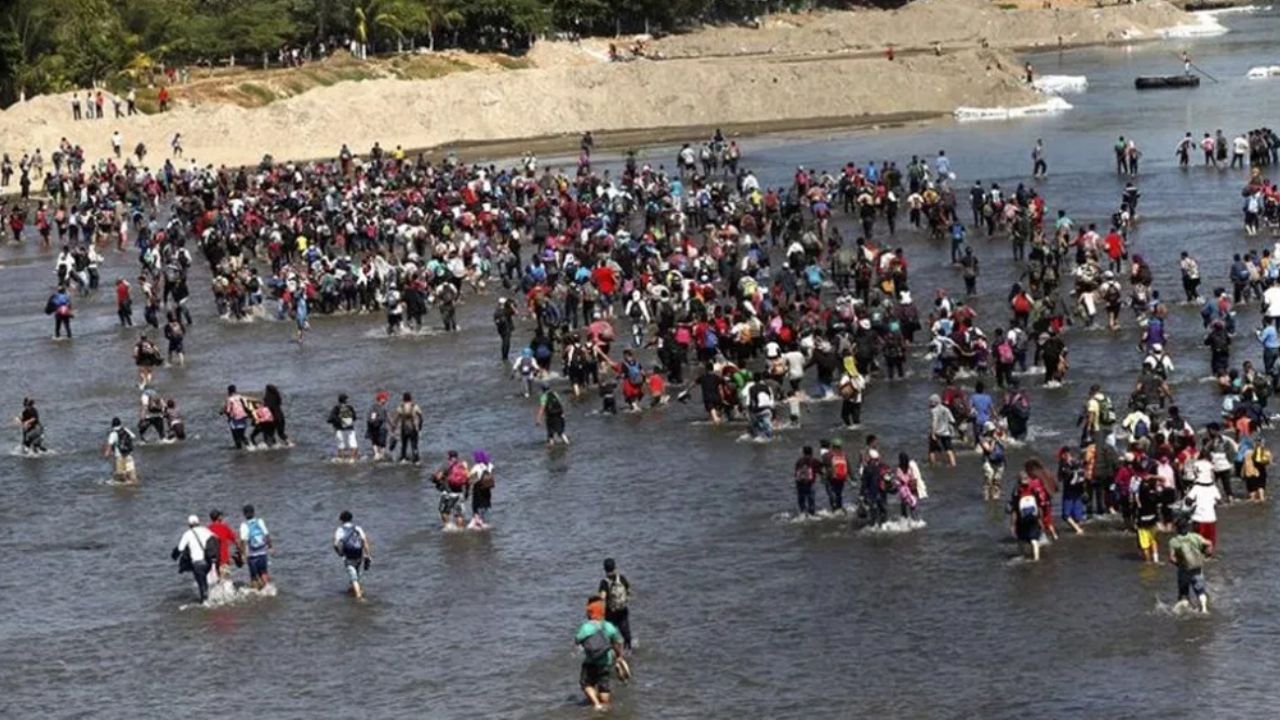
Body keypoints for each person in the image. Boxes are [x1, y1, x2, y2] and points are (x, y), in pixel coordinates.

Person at [575, 597, 626, 711]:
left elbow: (577, 639)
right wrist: (619, 657)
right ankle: (605, 705)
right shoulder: (609, 626)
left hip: (591, 661)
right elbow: (618, 642)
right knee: (604, 687)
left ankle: (596, 704)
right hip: (606, 662)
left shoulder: (586, 627)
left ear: (590, 613)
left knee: (586, 684)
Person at [1168, 515, 1212, 613]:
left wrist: (1178, 564)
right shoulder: (1195, 537)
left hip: (1183, 570)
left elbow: (1171, 558)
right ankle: (1204, 609)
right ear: (1187, 527)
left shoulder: (1174, 541)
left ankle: (1183, 611)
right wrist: (1207, 555)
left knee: (1183, 593)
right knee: (1200, 590)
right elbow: (1209, 543)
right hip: (1197, 568)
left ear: (1177, 528)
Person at [172, 515, 215, 603]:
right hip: (208, 563)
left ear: (189, 524)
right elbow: (216, 539)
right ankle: (209, 598)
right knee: (204, 580)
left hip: (197, 564)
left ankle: (205, 602)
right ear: (198, 522)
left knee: (201, 584)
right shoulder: (206, 530)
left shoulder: (187, 534)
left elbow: (180, 548)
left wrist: (174, 556)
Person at [333, 511, 371, 599]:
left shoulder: (340, 530)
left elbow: (335, 544)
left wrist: (340, 553)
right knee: (356, 573)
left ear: (341, 520)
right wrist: (368, 555)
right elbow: (365, 542)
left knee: (353, 578)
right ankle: (353, 590)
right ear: (351, 519)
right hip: (358, 555)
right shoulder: (358, 528)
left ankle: (359, 597)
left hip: (348, 556)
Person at [597, 558, 633, 650]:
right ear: (615, 567)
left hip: (610, 613)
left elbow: (602, 597)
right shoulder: (621, 578)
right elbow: (629, 590)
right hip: (622, 611)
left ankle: (614, 654)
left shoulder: (604, 582)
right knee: (626, 635)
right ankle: (629, 652)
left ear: (604, 569)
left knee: (610, 636)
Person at [433, 451, 470, 530]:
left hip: (448, 493)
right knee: (459, 514)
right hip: (459, 493)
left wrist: (437, 481)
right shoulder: (462, 466)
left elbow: (438, 477)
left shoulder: (446, 465)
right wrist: (467, 492)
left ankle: (448, 526)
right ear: (457, 457)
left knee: (443, 511)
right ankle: (459, 530)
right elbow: (467, 479)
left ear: (449, 457)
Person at [238, 504, 272, 590]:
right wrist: (270, 546)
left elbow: (243, 541)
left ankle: (257, 592)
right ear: (254, 513)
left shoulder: (244, 525)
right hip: (262, 552)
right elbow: (267, 535)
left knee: (254, 576)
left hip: (252, 555)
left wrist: (243, 554)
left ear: (244, 514)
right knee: (264, 572)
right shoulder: (260, 521)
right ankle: (268, 589)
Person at [102, 417, 137, 484]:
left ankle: (124, 485)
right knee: (131, 473)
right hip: (128, 455)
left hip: (119, 456)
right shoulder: (125, 429)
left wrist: (106, 454)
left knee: (120, 474)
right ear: (120, 423)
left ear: (112, 425)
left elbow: (109, 445)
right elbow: (133, 436)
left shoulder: (113, 433)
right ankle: (133, 486)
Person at [207, 510, 238, 581]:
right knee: (226, 580)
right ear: (218, 517)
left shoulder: (208, 529)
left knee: (218, 580)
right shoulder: (224, 527)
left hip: (213, 561)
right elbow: (235, 540)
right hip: (224, 559)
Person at [327, 393, 359, 461]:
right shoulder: (350, 407)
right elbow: (354, 417)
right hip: (350, 429)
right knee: (353, 444)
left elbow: (330, 419)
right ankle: (352, 459)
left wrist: (337, 422)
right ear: (346, 400)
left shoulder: (336, 408)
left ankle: (341, 459)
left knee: (341, 445)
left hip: (339, 429)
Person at [395, 392, 423, 464]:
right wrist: (420, 426)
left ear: (403, 399)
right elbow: (420, 416)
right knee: (414, 445)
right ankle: (416, 459)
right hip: (413, 429)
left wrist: (393, 427)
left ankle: (403, 459)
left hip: (404, 429)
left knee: (404, 445)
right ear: (411, 398)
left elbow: (396, 419)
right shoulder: (415, 406)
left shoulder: (400, 407)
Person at [469, 450, 495, 528]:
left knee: (475, 505)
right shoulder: (490, 465)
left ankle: (478, 521)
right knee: (485, 504)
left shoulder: (477, 467)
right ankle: (482, 519)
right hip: (487, 489)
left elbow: (470, 477)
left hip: (478, 489)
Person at [793, 445, 821, 516]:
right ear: (811, 452)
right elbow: (819, 469)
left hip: (800, 483)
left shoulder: (799, 461)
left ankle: (803, 513)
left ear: (803, 452)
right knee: (811, 500)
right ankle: (811, 514)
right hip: (810, 483)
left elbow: (796, 473)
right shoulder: (814, 460)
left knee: (801, 500)